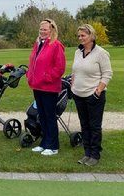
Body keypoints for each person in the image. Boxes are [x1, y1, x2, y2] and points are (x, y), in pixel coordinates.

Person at [71, 24, 113, 167]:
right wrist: (72, 84)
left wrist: (99, 91)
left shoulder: (101, 53)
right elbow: (75, 71)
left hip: (93, 95)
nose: (80, 38)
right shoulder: (78, 52)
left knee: (94, 126)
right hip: (78, 94)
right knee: (84, 125)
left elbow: (107, 74)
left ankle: (95, 155)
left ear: (91, 36)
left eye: (83, 35)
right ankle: (87, 153)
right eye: (79, 36)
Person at [25, 19, 66, 156]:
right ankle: (44, 143)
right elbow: (34, 63)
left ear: (52, 30)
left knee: (49, 116)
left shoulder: (56, 45)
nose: (42, 31)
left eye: (45, 29)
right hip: (37, 86)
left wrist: (46, 77)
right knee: (41, 116)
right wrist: (30, 75)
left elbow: (59, 68)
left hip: (49, 87)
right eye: (41, 29)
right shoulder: (38, 44)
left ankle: (53, 146)